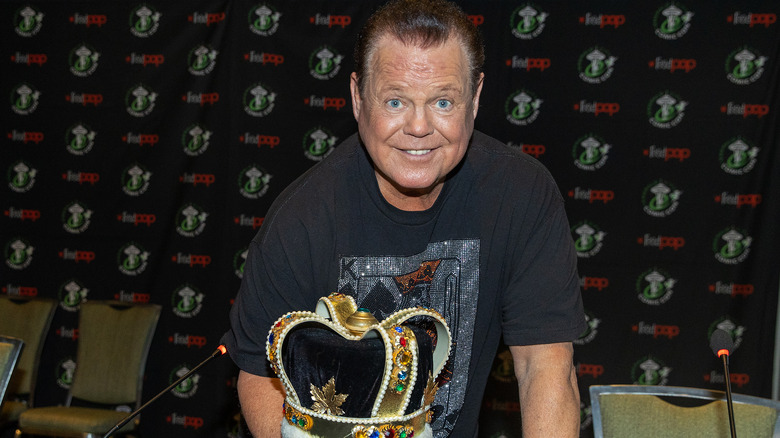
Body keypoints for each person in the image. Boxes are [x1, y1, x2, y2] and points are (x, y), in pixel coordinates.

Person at [221, 0, 586, 437]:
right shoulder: (301, 219)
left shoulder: (522, 196)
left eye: (443, 102)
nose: (419, 127)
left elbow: (545, 366)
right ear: (358, 98)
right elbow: (260, 376)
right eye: (395, 101)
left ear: (475, 98)